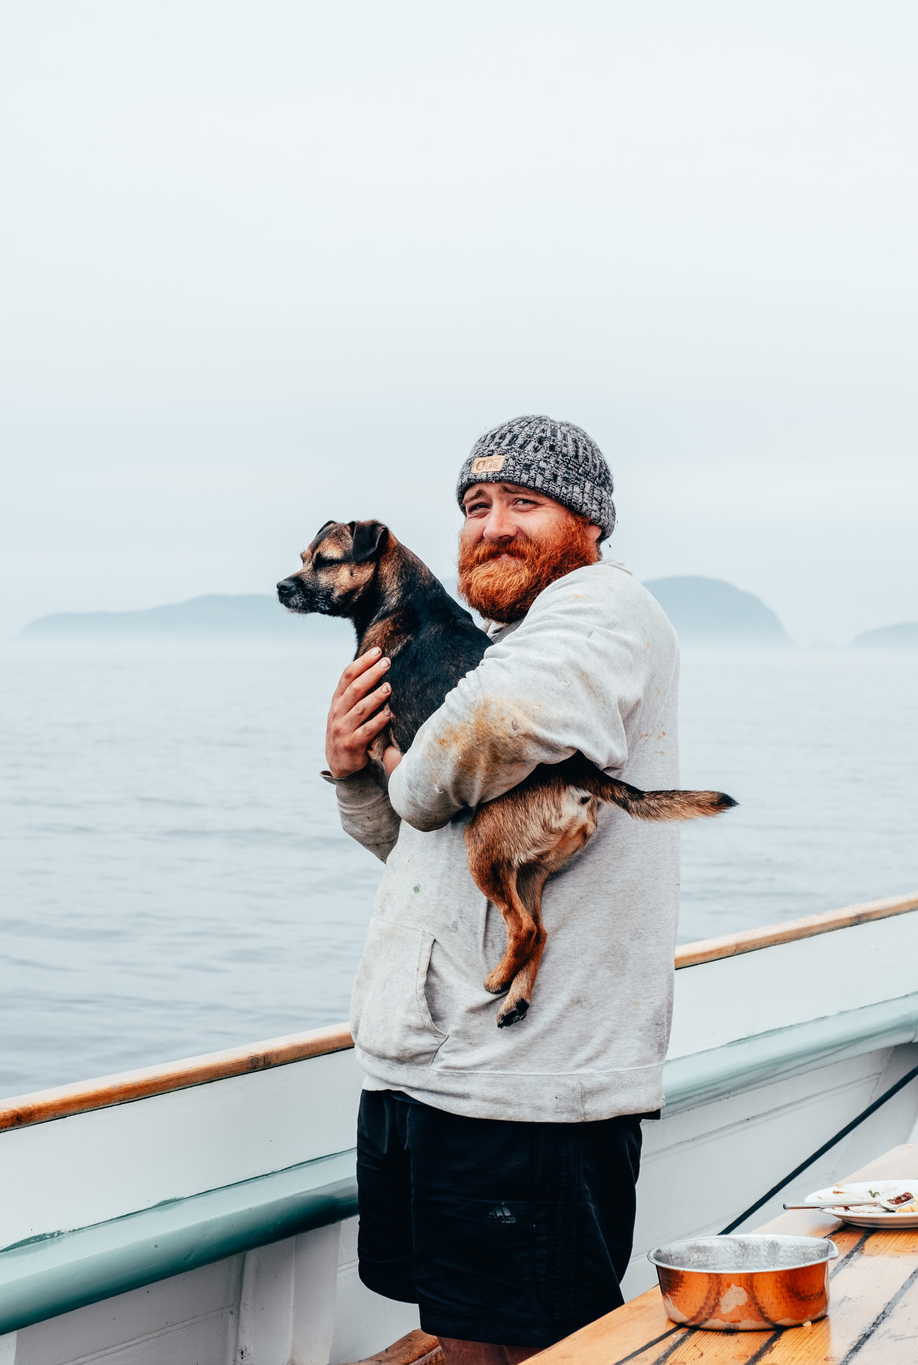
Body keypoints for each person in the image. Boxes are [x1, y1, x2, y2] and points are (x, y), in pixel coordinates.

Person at [322, 416, 681, 1365]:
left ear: (589, 525)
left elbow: (499, 724)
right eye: (475, 506)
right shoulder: (489, 642)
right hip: (438, 1065)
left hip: (529, 1085)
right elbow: (422, 849)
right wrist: (355, 772)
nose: (492, 525)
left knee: (538, 1345)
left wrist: (406, 773)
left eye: (525, 502)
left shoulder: (598, 611)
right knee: (460, 1333)